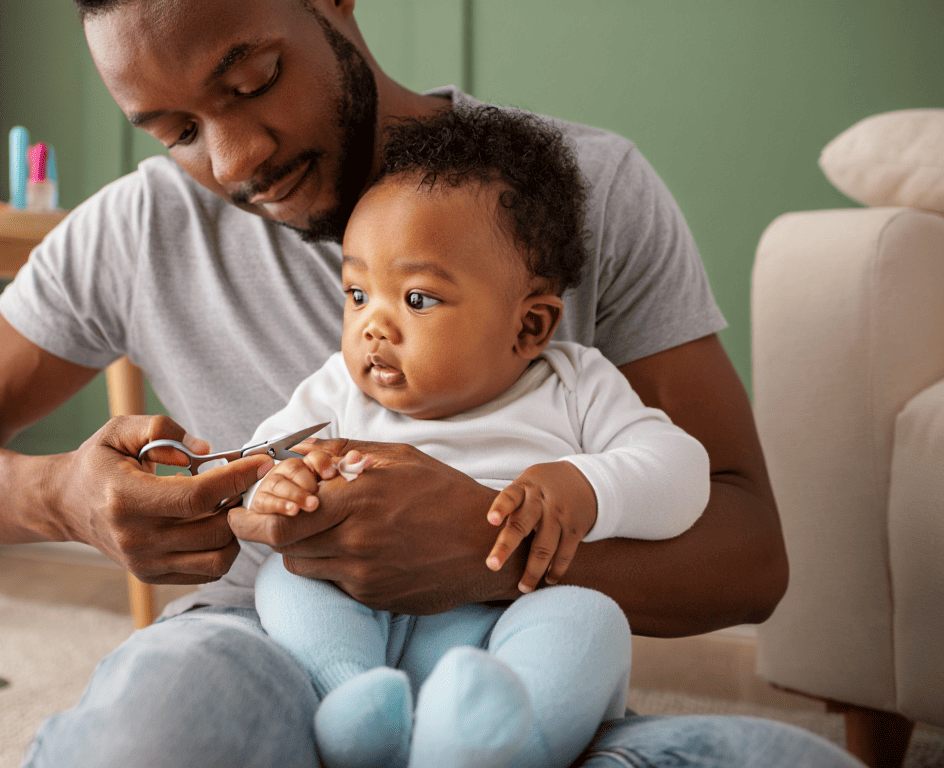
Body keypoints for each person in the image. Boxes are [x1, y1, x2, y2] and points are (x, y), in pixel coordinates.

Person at [0, 0, 861, 765]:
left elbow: (747, 555)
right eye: (177, 131)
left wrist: (484, 550)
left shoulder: (579, 194)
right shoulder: (138, 228)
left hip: (502, 673)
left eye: (250, 81)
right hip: (262, 650)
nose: (235, 156)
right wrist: (57, 497)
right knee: (158, 726)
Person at [245, 105, 710, 768]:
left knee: (590, 621)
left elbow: (683, 470)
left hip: (503, 627)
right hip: (364, 616)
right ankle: (350, 702)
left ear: (529, 327)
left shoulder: (574, 385)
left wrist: (583, 486)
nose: (373, 326)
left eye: (417, 299)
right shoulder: (338, 392)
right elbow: (259, 461)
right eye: (356, 294)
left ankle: (500, 744)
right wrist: (279, 484)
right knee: (289, 579)